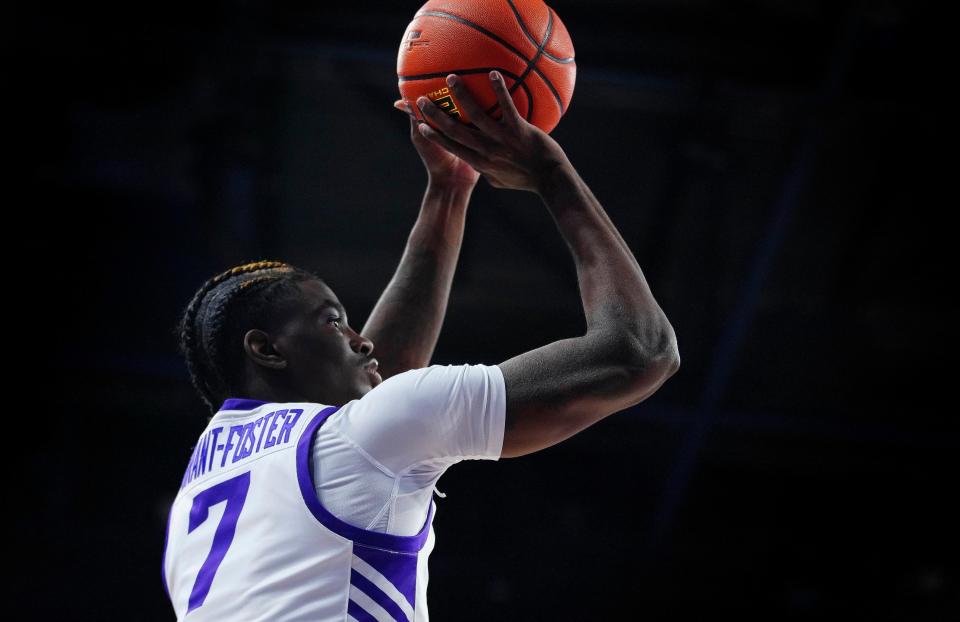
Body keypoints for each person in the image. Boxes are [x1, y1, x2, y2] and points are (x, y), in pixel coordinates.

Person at [162, 71, 680, 622]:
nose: (363, 342)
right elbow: (641, 351)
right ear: (266, 350)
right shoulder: (356, 441)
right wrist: (550, 172)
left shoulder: (198, 496)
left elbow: (371, 412)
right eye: (333, 322)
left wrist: (449, 189)